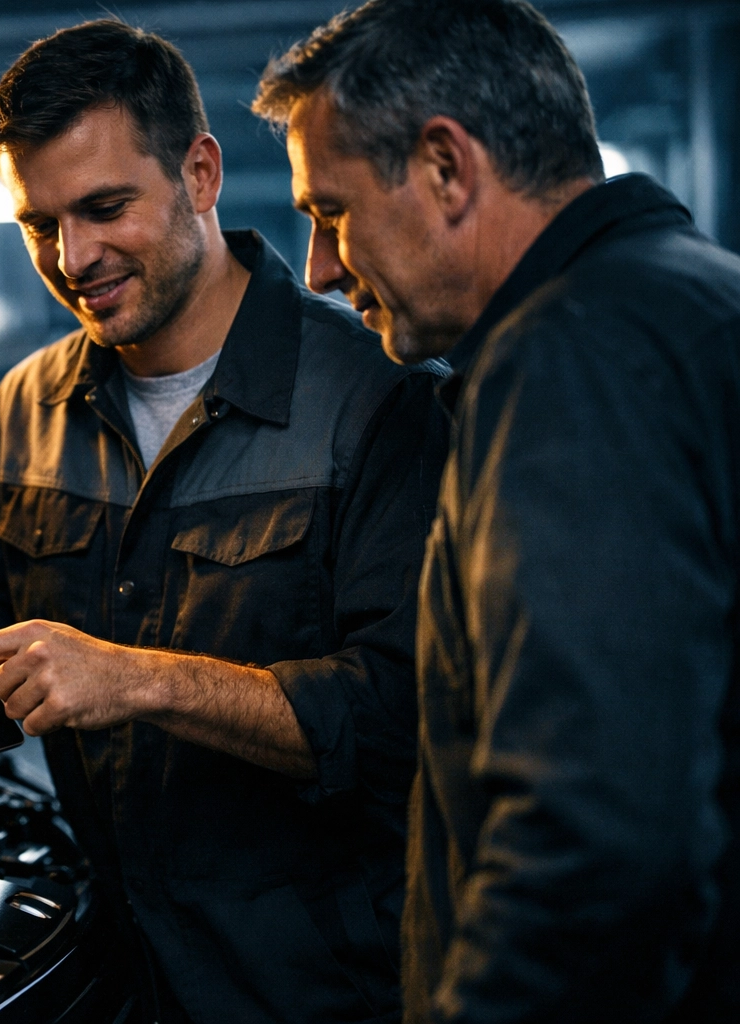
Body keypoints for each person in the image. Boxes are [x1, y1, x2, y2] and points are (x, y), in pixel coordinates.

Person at [0, 20, 451, 1023]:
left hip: (313, 990)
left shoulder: (379, 401)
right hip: (98, 971)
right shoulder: (22, 412)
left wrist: (130, 678)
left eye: (103, 208)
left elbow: (403, 719)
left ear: (201, 173)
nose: (71, 257)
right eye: (38, 223)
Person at [252, 1, 740, 1021]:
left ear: (445, 168)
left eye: (330, 212)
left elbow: (592, 842)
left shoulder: (573, 361)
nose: (321, 272)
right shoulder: (694, 299)